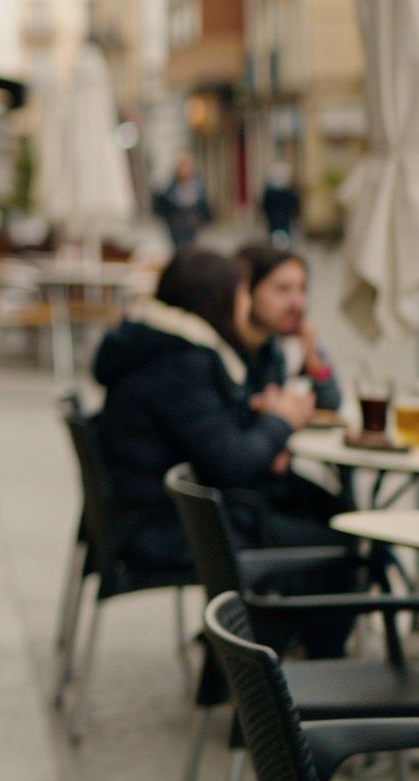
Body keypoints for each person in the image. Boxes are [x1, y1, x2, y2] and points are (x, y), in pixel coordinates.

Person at [88, 249, 352, 654]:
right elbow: (230, 462)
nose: (245, 303)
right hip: (163, 527)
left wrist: (258, 421)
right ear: (219, 299)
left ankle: (255, 663)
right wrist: (277, 422)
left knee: (330, 516)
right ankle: (294, 684)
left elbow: (209, 438)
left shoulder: (163, 347)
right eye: (243, 292)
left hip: (160, 512)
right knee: (337, 548)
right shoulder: (183, 362)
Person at [237, 242, 339, 415]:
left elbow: (330, 403)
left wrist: (312, 357)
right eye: (282, 289)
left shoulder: (280, 344)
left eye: (302, 289)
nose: (298, 303)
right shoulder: (228, 349)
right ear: (246, 292)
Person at [155, 154, 214, 251]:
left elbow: (205, 207)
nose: (184, 170)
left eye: (187, 167)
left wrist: (203, 220)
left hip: (193, 226)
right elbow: (162, 207)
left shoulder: (198, 187)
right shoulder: (169, 188)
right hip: (176, 228)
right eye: (181, 167)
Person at [260, 161, 302, 247]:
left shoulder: (272, 191)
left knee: (277, 235)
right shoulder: (288, 190)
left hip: (277, 218)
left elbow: (265, 205)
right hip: (281, 218)